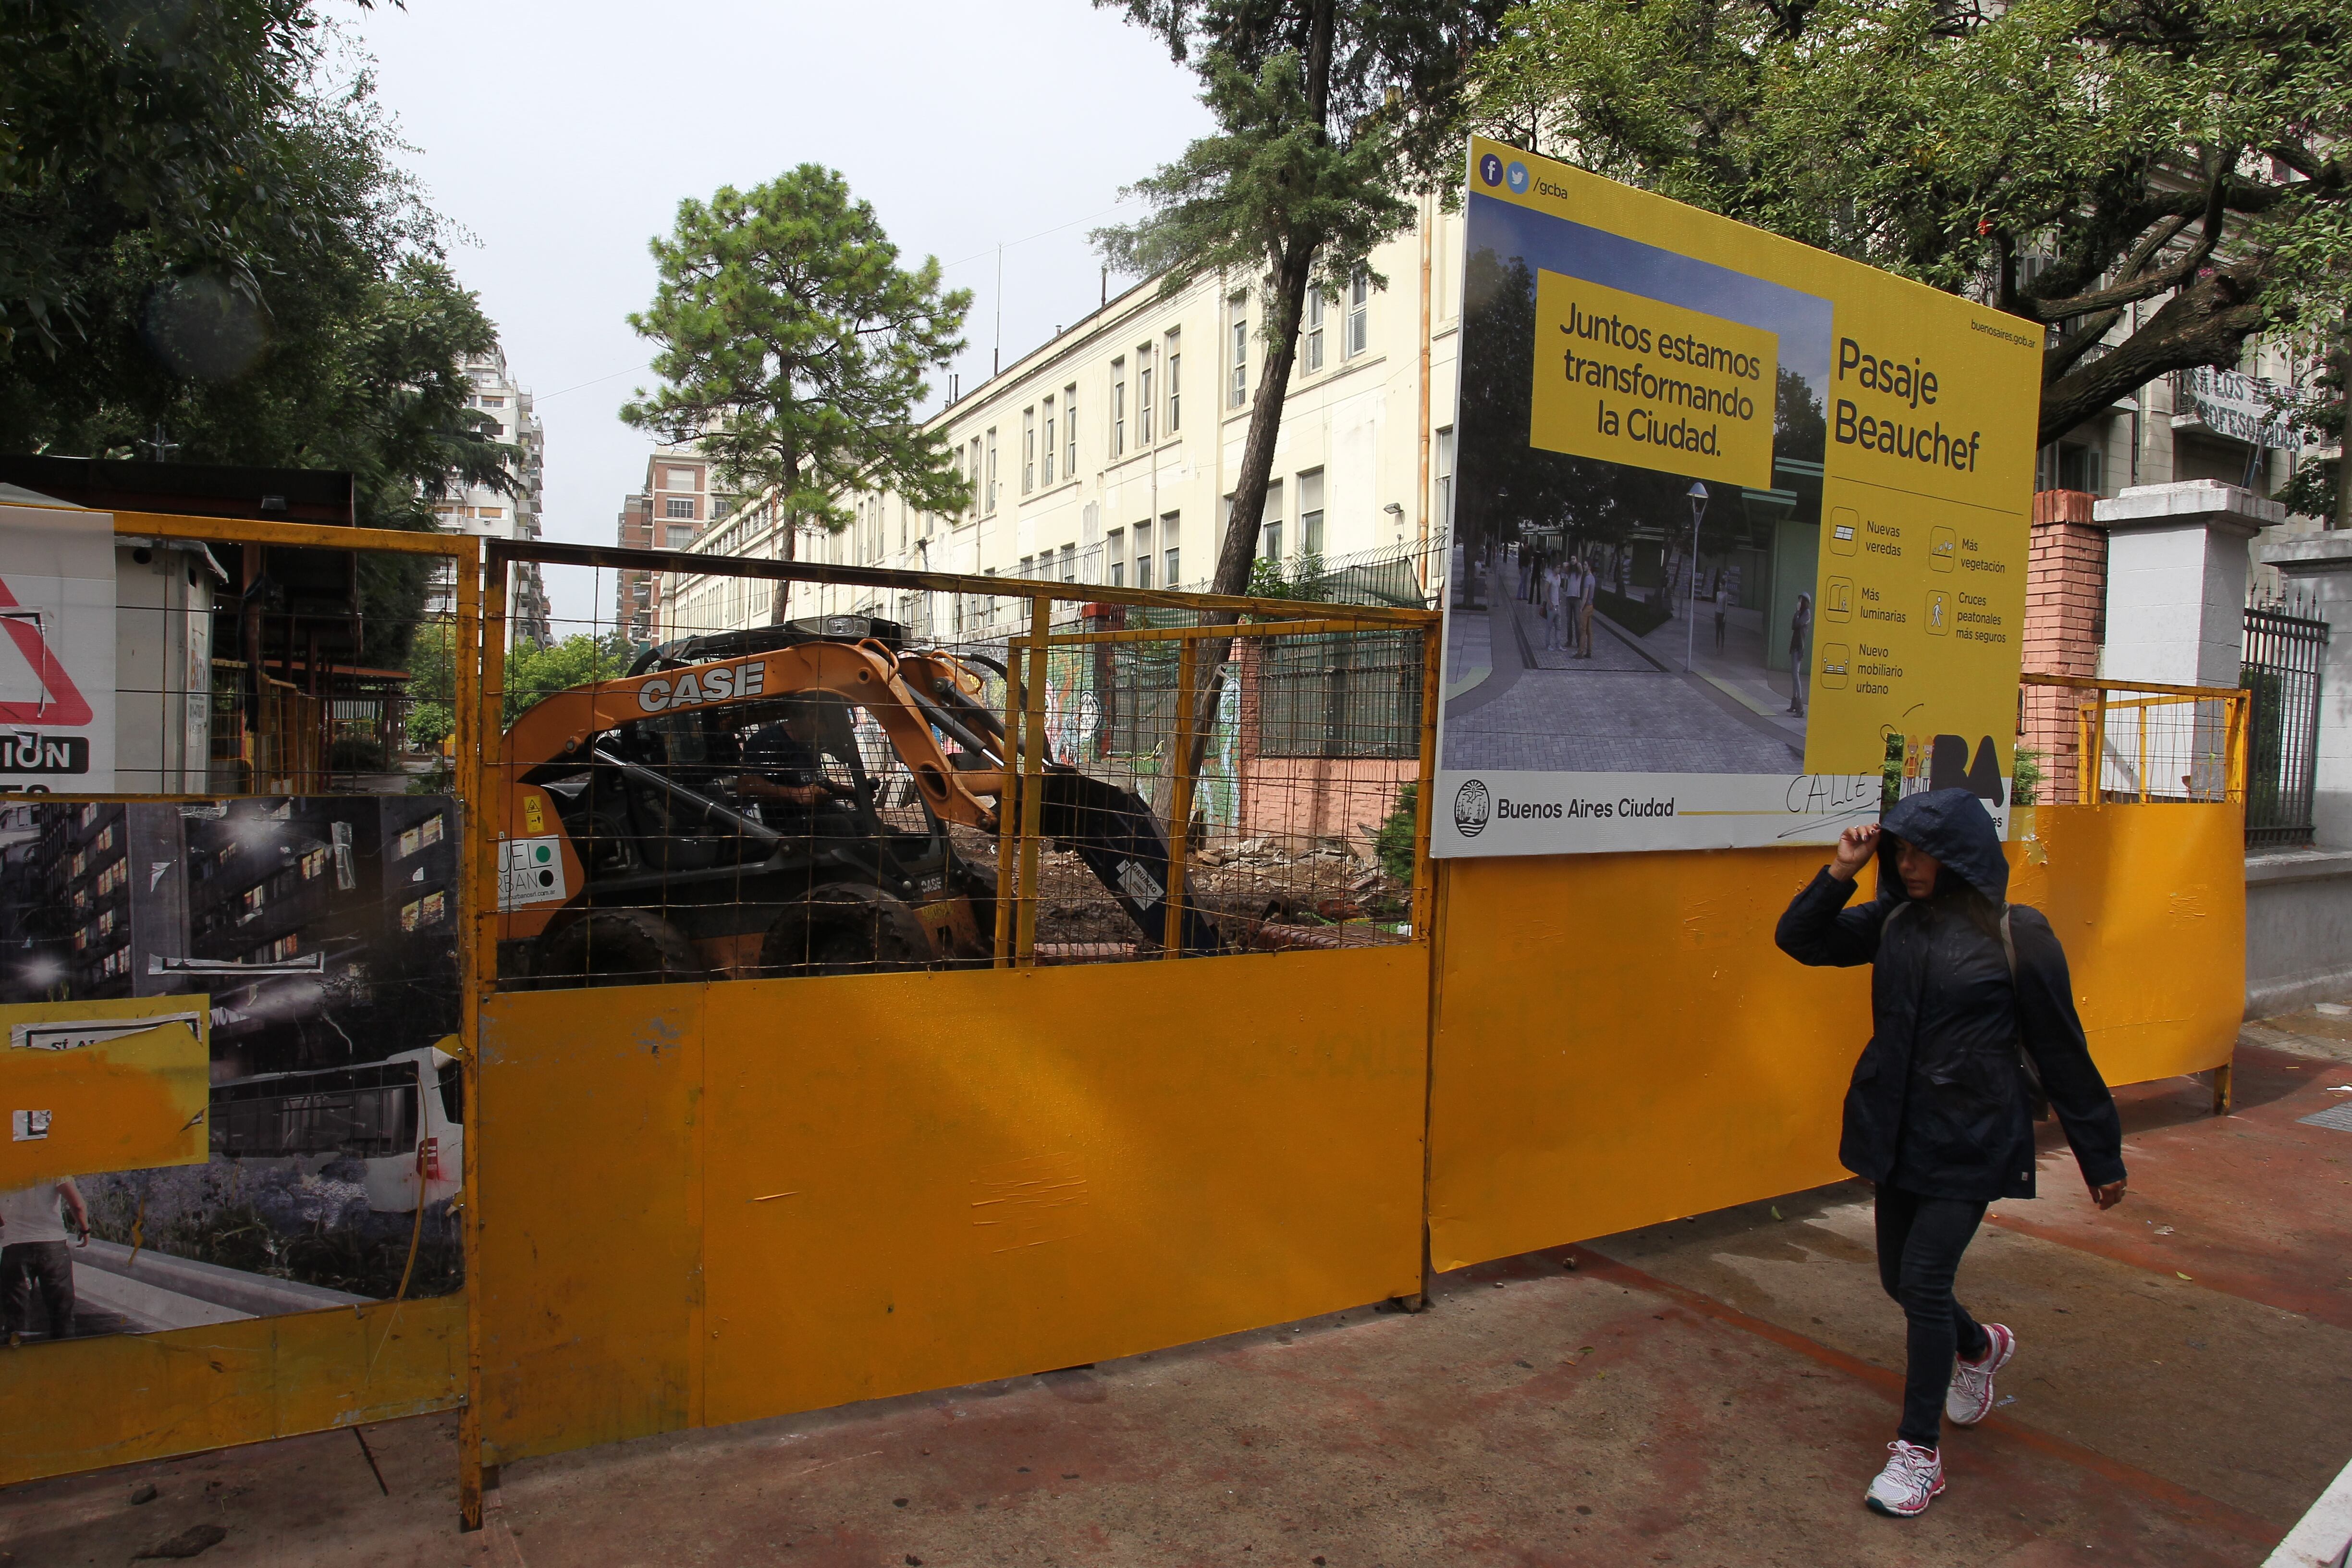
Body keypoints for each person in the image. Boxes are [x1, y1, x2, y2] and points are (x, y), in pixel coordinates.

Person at [1775, 788, 2126, 1519]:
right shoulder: (1895, 919)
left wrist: (2103, 1156)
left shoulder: (2017, 935)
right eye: (1900, 851)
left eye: (1921, 850)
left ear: (1962, 853)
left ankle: (1917, 1455)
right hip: (1898, 1129)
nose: (1908, 863)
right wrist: (1842, 871)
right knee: (1901, 1284)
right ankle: (1980, 1346)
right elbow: (1799, 940)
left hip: (1973, 1135)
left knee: (1926, 1281)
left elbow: (2063, 1048)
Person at [734, 698, 859, 835]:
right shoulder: (768, 740)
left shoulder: (809, 745)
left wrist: (853, 792)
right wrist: (796, 795)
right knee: (841, 826)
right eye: (828, 727)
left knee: (861, 822)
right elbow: (745, 785)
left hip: (815, 815)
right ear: (813, 717)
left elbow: (814, 786)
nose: (829, 733)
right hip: (784, 822)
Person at [0, 1176, 90, 1344]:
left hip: (15, 1247)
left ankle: (21, 1363)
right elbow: (77, 1205)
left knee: (16, 1316)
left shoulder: (6, 1167)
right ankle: (63, 1362)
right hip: (52, 1246)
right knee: (62, 1313)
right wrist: (85, 1229)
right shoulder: (54, 1166)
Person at [1787, 591, 1813, 715]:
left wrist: (1797, 612)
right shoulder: (1800, 613)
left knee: (1796, 675)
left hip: (1799, 647)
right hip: (1794, 645)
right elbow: (1793, 625)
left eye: (1801, 600)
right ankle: (1794, 702)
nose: (1799, 602)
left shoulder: (1807, 614)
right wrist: (1796, 612)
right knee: (1793, 674)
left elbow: (1798, 624)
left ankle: (1800, 706)